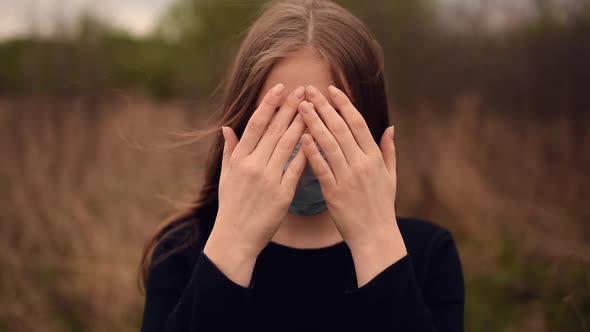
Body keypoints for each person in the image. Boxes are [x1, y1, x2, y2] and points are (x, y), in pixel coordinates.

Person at [139, 0, 465, 331]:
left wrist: (375, 242)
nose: (307, 142)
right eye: (284, 117)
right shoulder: (183, 250)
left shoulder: (426, 255)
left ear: (371, 128)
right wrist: (232, 245)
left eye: (329, 118)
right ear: (243, 124)